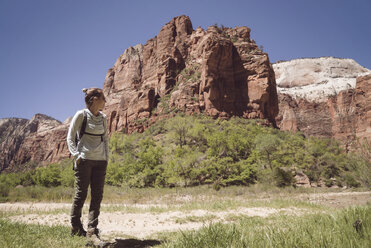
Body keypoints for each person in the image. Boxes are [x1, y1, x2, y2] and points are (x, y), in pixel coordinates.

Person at [66, 87, 109, 241]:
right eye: (103, 98)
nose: (106, 101)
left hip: (100, 162)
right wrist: (76, 155)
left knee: (97, 196)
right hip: (84, 161)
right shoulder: (81, 115)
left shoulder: (103, 117)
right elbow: (70, 137)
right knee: (81, 194)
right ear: (95, 99)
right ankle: (76, 227)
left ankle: (92, 231)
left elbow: (106, 139)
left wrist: (106, 158)